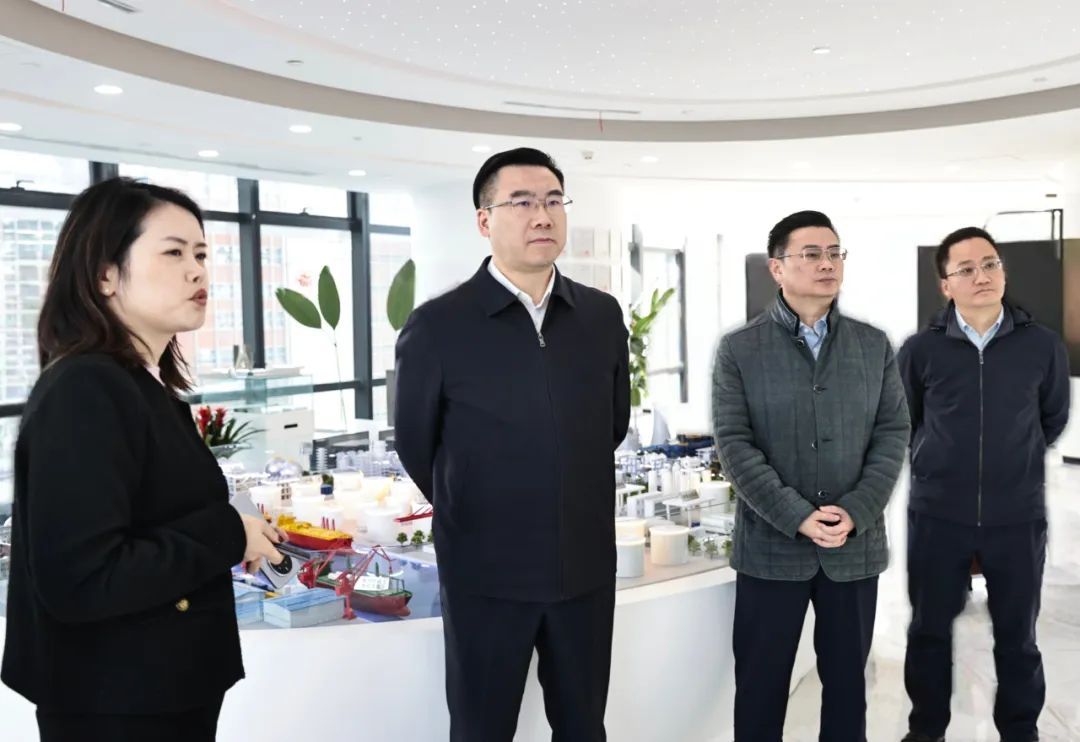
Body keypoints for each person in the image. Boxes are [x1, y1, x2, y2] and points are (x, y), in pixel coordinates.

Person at [1, 177, 285, 742]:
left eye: (201, 254)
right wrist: (230, 534)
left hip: (154, 689)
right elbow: (82, 576)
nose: (198, 271)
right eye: (174, 253)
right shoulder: (86, 388)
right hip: (117, 702)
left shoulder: (139, 384)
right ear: (105, 275)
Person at [394, 147, 630, 741]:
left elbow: (611, 425)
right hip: (486, 576)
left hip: (584, 569)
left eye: (553, 201)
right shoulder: (438, 326)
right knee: (482, 730)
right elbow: (417, 446)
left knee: (584, 727)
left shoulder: (600, 316)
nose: (542, 216)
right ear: (484, 220)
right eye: (521, 202)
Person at [711, 210, 909, 742]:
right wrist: (797, 515)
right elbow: (734, 445)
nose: (828, 264)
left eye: (835, 253)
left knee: (847, 689)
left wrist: (857, 510)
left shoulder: (873, 345)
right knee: (761, 688)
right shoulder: (740, 349)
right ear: (777, 268)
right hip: (771, 549)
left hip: (854, 546)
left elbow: (893, 433)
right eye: (812, 254)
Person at [897, 227, 1069, 742]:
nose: (982, 276)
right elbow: (907, 422)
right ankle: (925, 731)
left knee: (1018, 638)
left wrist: (1013, 462)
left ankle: (1020, 731)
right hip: (937, 514)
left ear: (1003, 272)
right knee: (928, 632)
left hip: (1017, 515)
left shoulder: (1042, 345)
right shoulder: (920, 350)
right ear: (945, 285)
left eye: (990, 264)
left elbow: (1052, 418)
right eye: (966, 269)